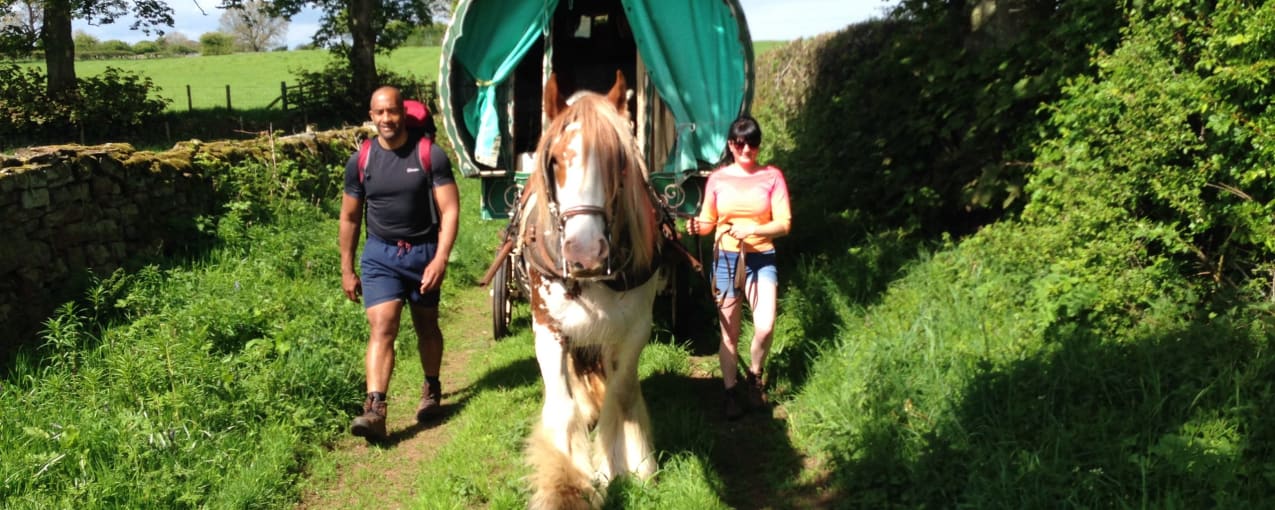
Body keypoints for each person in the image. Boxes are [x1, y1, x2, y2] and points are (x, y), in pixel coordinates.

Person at [339, 86, 460, 440]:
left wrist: (440, 258)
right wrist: (347, 269)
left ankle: (431, 389)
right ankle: (375, 408)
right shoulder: (361, 160)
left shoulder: (429, 155)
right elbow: (349, 218)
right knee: (382, 327)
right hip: (380, 256)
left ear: (403, 114)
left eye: (392, 111)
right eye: (379, 113)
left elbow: (450, 209)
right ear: (371, 116)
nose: (386, 119)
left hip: (423, 253)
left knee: (426, 325)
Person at [687, 115, 791, 420]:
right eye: (742, 143)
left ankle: (754, 376)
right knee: (729, 332)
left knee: (765, 325)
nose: (748, 150)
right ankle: (731, 391)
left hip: (761, 258)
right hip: (726, 259)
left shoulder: (772, 176)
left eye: (754, 143)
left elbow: (784, 224)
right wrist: (697, 227)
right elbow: (708, 221)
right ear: (732, 145)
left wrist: (753, 230)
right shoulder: (718, 179)